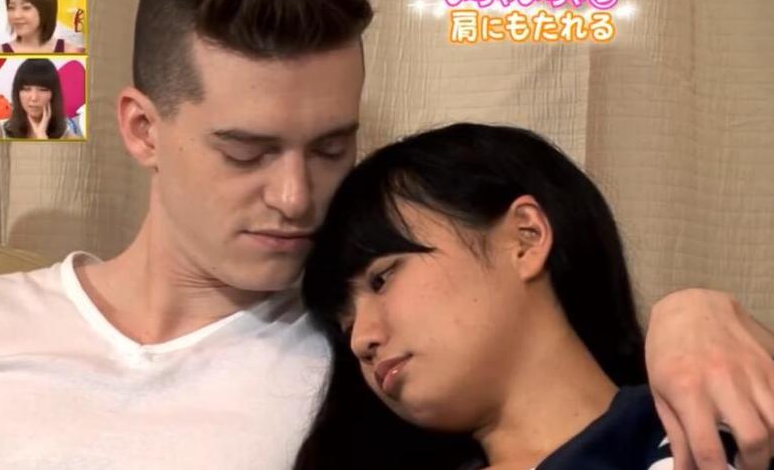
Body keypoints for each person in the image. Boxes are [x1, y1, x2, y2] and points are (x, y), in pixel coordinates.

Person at [0, 0, 773, 469]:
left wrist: (691, 314)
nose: (297, 197)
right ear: (141, 128)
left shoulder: (371, 361)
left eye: (332, 147)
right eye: (245, 152)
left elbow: (558, 392)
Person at [294, 122, 774, 469]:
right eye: (346, 324)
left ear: (525, 238)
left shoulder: (709, 423)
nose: (361, 339)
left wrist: (693, 313)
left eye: (382, 278)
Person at [0, 58, 83, 139]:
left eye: (43, 89)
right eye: (26, 89)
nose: (34, 98)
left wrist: (42, 136)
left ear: (53, 94)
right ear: (17, 93)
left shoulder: (64, 133)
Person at [0, 0, 84, 54]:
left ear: (45, 10)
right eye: (11, 8)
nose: (16, 15)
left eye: (26, 7)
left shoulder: (69, 51)